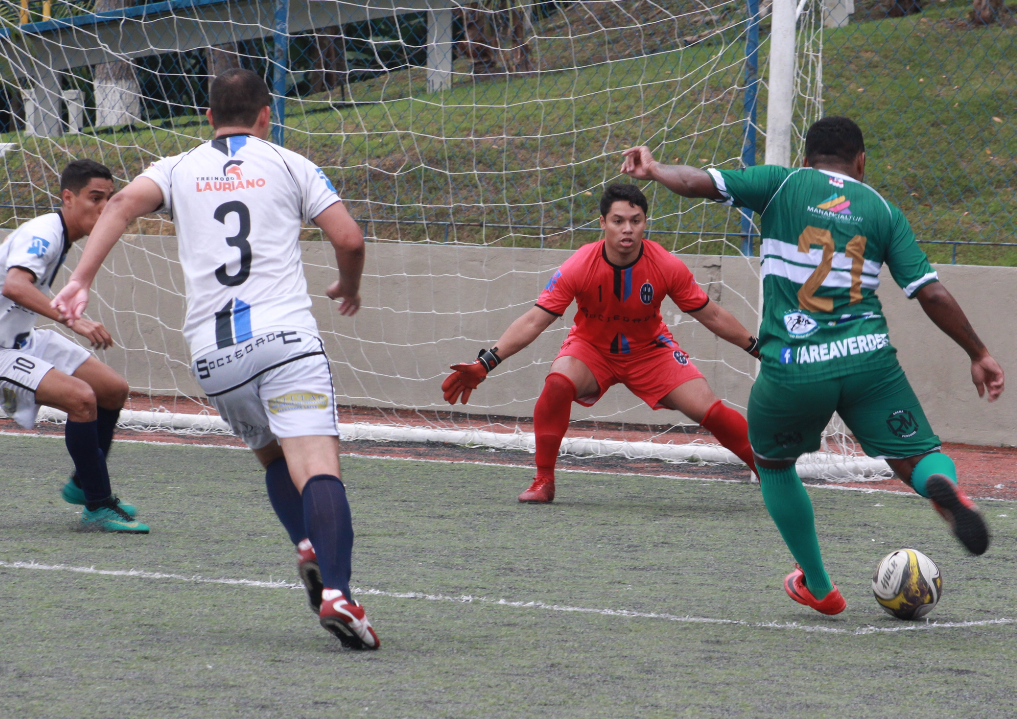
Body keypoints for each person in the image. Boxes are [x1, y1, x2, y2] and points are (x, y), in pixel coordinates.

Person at [621, 116, 1005, 615]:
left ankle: (820, 586)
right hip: (869, 363)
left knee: (774, 463)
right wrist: (978, 352)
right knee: (916, 456)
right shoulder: (883, 210)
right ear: (861, 162)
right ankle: (943, 485)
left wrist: (654, 169)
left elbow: (697, 183)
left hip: (793, 368)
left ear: (807, 159)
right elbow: (928, 291)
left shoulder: (781, 183)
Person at [53, 69, 378, 649]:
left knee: (272, 454)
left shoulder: (177, 167)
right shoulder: (288, 163)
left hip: (214, 355)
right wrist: (348, 286)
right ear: (265, 114)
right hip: (284, 343)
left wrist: (81, 279)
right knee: (318, 464)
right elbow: (349, 240)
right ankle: (340, 594)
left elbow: (122, 204)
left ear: (207, 117)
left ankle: (306, 546)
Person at [442, 183, 760, 503]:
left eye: (635, 221)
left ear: (645, 223)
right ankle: (543, 481)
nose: (627, 229)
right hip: (591, 348)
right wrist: (486, 362)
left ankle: (770, 471)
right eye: (618, 220)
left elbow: (712, 315)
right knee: (557, 383)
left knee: (709, 409)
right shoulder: (580, 265)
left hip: (650, 350)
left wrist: (756, 347)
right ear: (602, 223)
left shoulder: (666, 265)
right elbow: (534, 320)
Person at [0, 159, 145, 533]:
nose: (104, 207)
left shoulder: (62, 234)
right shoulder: (45, 233)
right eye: (94, 197)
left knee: (112, 389)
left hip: (22, 339)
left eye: (109, 199)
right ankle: (98, 505)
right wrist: (73, 319)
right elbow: (14, 286)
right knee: (81, 399)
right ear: (68, 197)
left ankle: (84, 484)